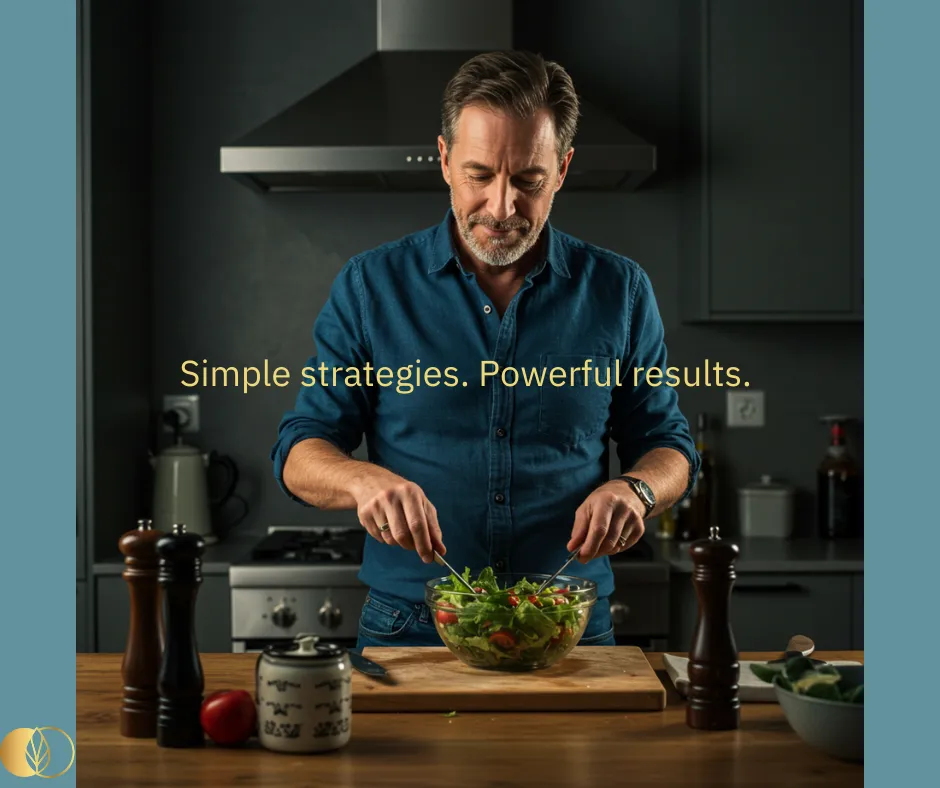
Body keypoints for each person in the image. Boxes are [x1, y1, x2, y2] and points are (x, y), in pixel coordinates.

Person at [271, 50, 700, 651]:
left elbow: (668, 445)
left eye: (529, 180)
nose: (502, 208)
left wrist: (638, 489)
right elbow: (300, 449)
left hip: (567, 625)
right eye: (479, 175)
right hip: (412, 628)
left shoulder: (619, 290)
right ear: (445, 161)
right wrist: (362, 481)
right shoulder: (371, 285)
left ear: (563, 169)